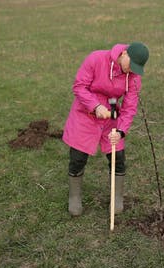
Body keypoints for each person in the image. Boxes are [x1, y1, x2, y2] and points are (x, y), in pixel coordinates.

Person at [62, 42, 149, 216]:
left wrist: (121, 131)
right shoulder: (96, 59)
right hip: (85, 113)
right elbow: (79, 86)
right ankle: (75, 196)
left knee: (118, 157)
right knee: (78, 157)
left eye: (135, 69)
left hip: (111, 116)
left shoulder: (132, 76)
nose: (130, 71)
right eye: (130, 66)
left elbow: (130, 106)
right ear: (124, 53)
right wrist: (95, 106)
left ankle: (117, 197)